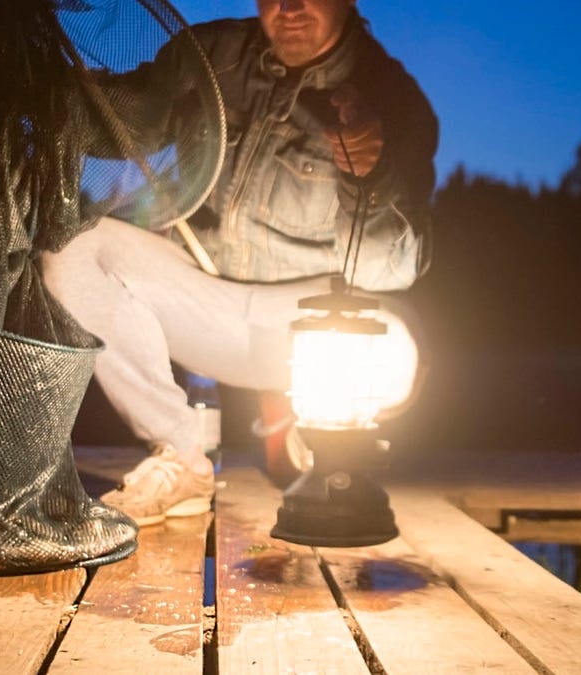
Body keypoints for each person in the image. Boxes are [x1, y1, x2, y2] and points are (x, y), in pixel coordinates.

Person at [42, 0, 438, 526]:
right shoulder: (210, 55)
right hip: (207, 304)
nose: (290, 6)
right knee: (73, 246)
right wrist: (41, 93)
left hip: (310, 328)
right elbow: (125, 121)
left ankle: (322, 429)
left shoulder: (396, 102)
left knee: (399, 353)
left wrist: (371, 174)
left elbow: (390, 272)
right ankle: (181, 454)